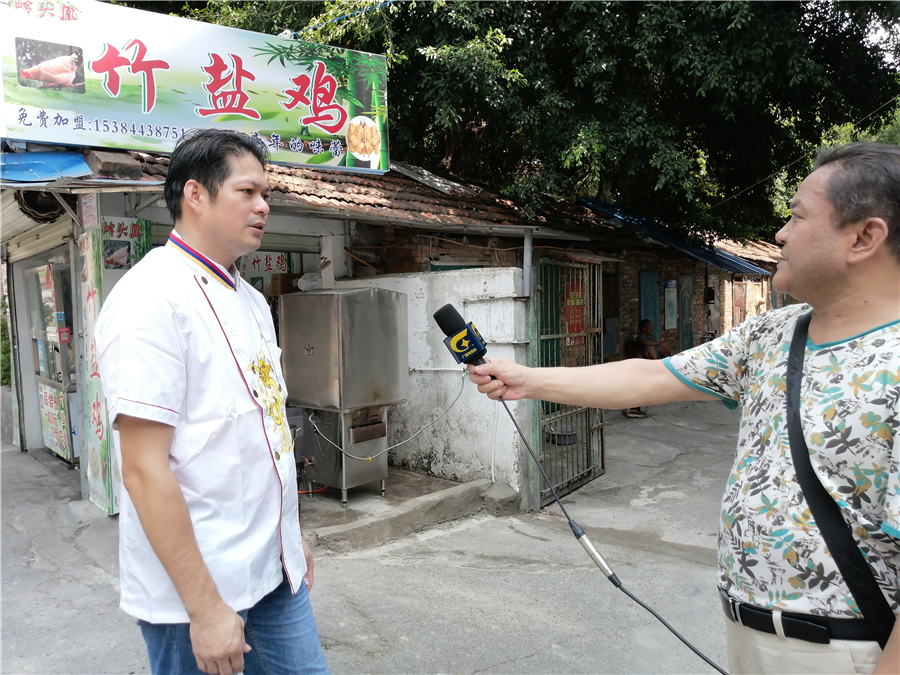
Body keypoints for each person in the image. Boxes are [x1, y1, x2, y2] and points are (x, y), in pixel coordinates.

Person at [468, 142, 899, 675]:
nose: (781, 235)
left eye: (797, 215)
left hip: (852, 649)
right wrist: (527, 379)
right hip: (751, 633)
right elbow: (650, 375)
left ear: (864, 237)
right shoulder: (773, 333)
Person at [96, 129, 330, 675]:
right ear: (196, 195)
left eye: (266, 193)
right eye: (247, 192)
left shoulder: (247, 298)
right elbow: (143, 469)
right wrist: (203, 610)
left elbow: (262, 432)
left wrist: (287, 540)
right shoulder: (147, 299)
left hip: (273, 571)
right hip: (194, 590)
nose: (263, 205)